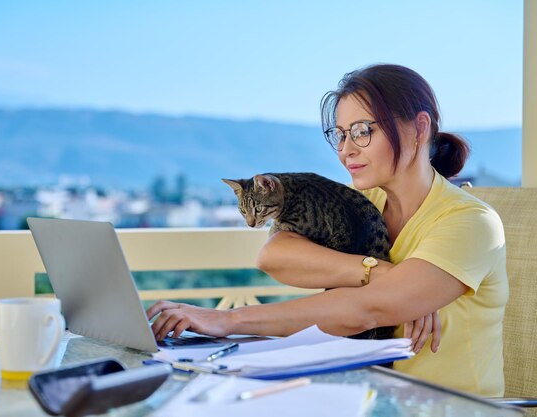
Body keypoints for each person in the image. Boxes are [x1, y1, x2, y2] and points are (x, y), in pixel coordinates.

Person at [147, 64, 508, 396]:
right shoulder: (367, 201)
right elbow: (274, 254)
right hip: (368, 399)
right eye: (340, 134)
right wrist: (383, 273)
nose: (345, 150)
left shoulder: (470, 223)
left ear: (419, 128)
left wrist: (228, 320)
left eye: (363, 131)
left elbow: (366, 309)